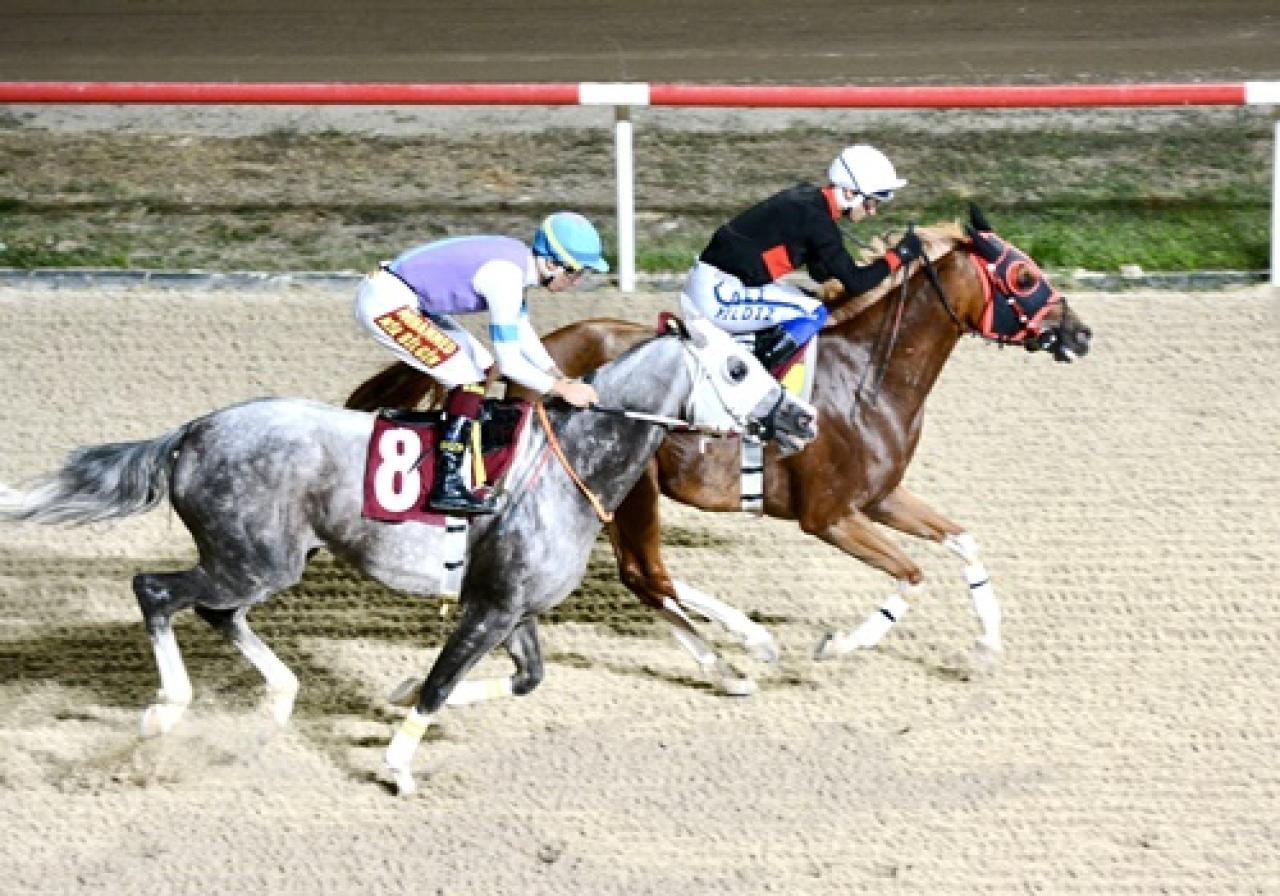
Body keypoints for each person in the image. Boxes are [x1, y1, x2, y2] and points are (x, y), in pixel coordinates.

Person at [354, 211, 607, 515]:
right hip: (387, 303)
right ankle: (446, 483)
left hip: (405, 297)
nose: (576, 282)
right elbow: (511, 364)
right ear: (552, 263)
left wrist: (559, 377)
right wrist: (560, 390)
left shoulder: (519, 267)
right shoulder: (506, 277)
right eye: (575, 273)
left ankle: (467, 442)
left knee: (482, 369)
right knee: (468, 379)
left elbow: (523, 332)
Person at [680, 144, 924, 370]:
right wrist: (899, 255)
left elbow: (817, 271)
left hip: (716, 282)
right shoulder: (818, 222)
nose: (872, 212)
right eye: (871, 203)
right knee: (813, 312)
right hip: (716, 295)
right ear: (850, 193)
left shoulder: (809, 198)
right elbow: (856, 283)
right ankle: (755, 376)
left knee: (804, 298)